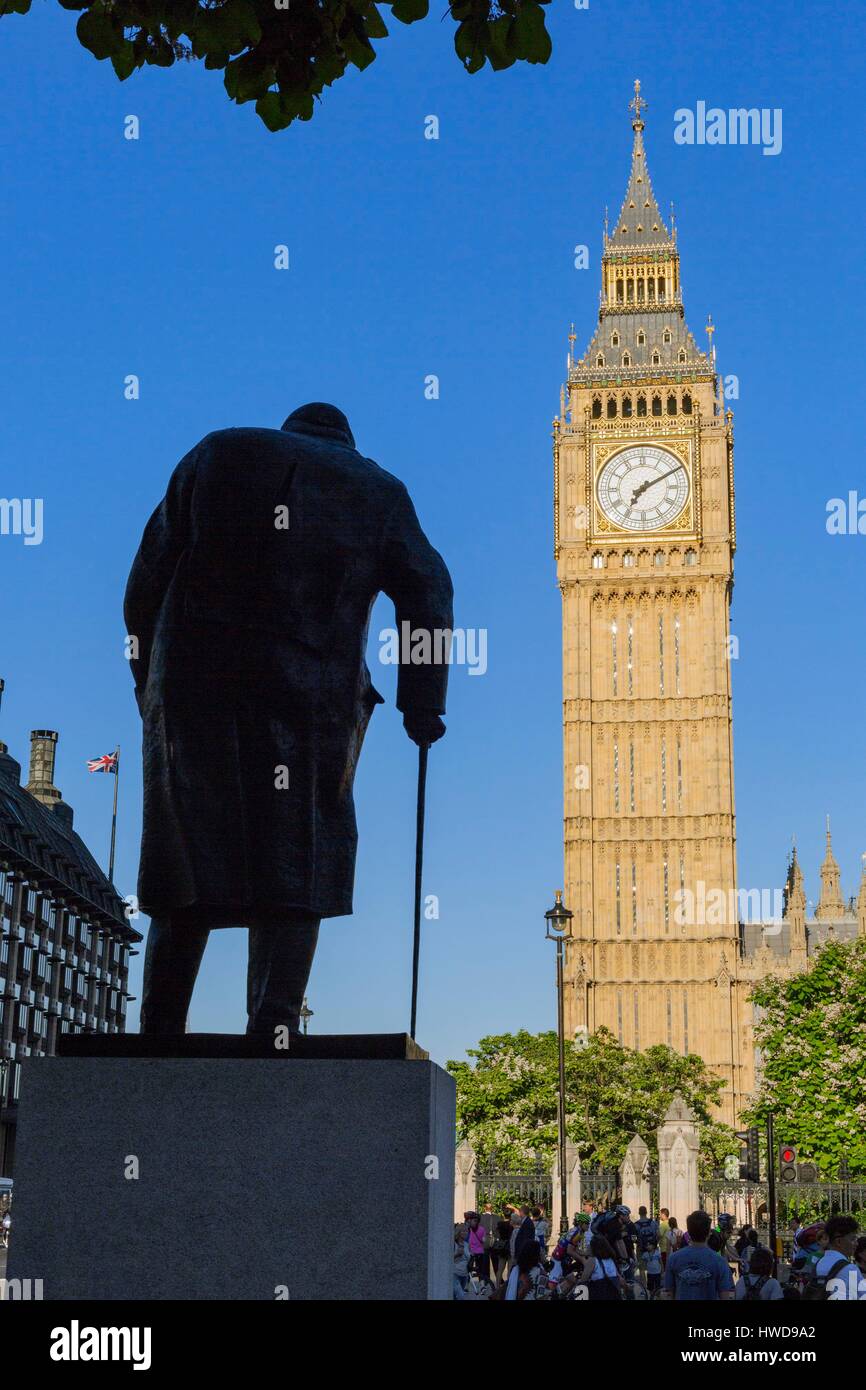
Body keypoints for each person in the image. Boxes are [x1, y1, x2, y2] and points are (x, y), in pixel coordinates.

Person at [124, 402, 453, 1035]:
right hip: (310, 690)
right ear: (346, 441)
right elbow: (429, 592)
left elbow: (145, 576)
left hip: (194, 682)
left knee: (186, 844)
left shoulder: (215, 449)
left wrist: (150, 681)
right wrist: (423, 701)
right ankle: (274, 1024)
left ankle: (159, 1027)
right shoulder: (378, 488)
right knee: (301, 844)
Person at [662, 1210, 735, 1301]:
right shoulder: (720, 1262)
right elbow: (725, 1296)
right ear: (709, 1232)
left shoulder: (673, 1259)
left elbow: (669, 1294)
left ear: (689, 1231)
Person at [810, 1215, 865, 1300]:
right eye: (853, 1239)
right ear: (839, 1242)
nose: (856, 1243)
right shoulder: (849, 1268)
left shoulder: (819, 1263)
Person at [577, 1234, 626, 1301]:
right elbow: (620, 1278)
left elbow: (583, 1280)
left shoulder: (592, 1261)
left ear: (594, 1247)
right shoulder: (611, 1259)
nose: (588, 1247)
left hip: (599, 1295)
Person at [464, 1212, 491, 1286]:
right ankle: (482, 1286)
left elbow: (467, 1240)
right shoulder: (482, 1229)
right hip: (480, 1252)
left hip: (471, 1252)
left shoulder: (468, 1230)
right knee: (480, 1271)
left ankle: (466, 1286)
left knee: (468, 1270)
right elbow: (484, 1240)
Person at [453, 1223, 469, 1299]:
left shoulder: (466, 1244)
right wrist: (457, 1254)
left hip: (464, 1275)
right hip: (455, 1274)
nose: (466, 1233)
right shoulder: (453, 1244)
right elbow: (446, 1260)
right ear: (458, 1232)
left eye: (466, 1231)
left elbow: (468, 1258)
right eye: (463, 1231)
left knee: (455, 1297)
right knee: (461, 1296)